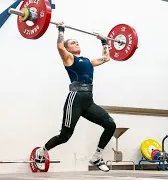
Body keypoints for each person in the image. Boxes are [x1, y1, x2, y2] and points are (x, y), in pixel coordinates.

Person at [34, 22, 116, 172]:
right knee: (65, 136)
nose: (76, 43)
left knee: (110, 125)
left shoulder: (89, 61)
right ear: (68, 48)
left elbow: (106, 58)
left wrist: (103, 41)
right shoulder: (69, 58)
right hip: (75, 99)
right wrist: (61, 29)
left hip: (89, 102)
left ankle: (96, 157)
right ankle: (41, 151)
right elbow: (59, 47)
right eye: (72, 42)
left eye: (77, 41)